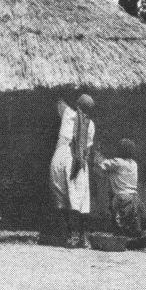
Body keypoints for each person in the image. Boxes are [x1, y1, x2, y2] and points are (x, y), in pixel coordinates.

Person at [94, 138, 146, 253]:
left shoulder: (117, 162)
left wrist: (97, 153)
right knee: (138, 224)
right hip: (135, 198)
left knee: (120, 226)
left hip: (121, 198)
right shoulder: (133, 164)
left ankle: (136, 242)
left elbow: (101, 164)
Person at [49, 94, 96, 248]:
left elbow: (58, 101)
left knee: (61, 195)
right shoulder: (91, 125)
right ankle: (82, 237)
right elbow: (87, 149)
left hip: (61, 155)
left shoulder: (68, 113)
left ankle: (70, 235)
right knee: (79, 198)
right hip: (78, 159)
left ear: (77, 104)